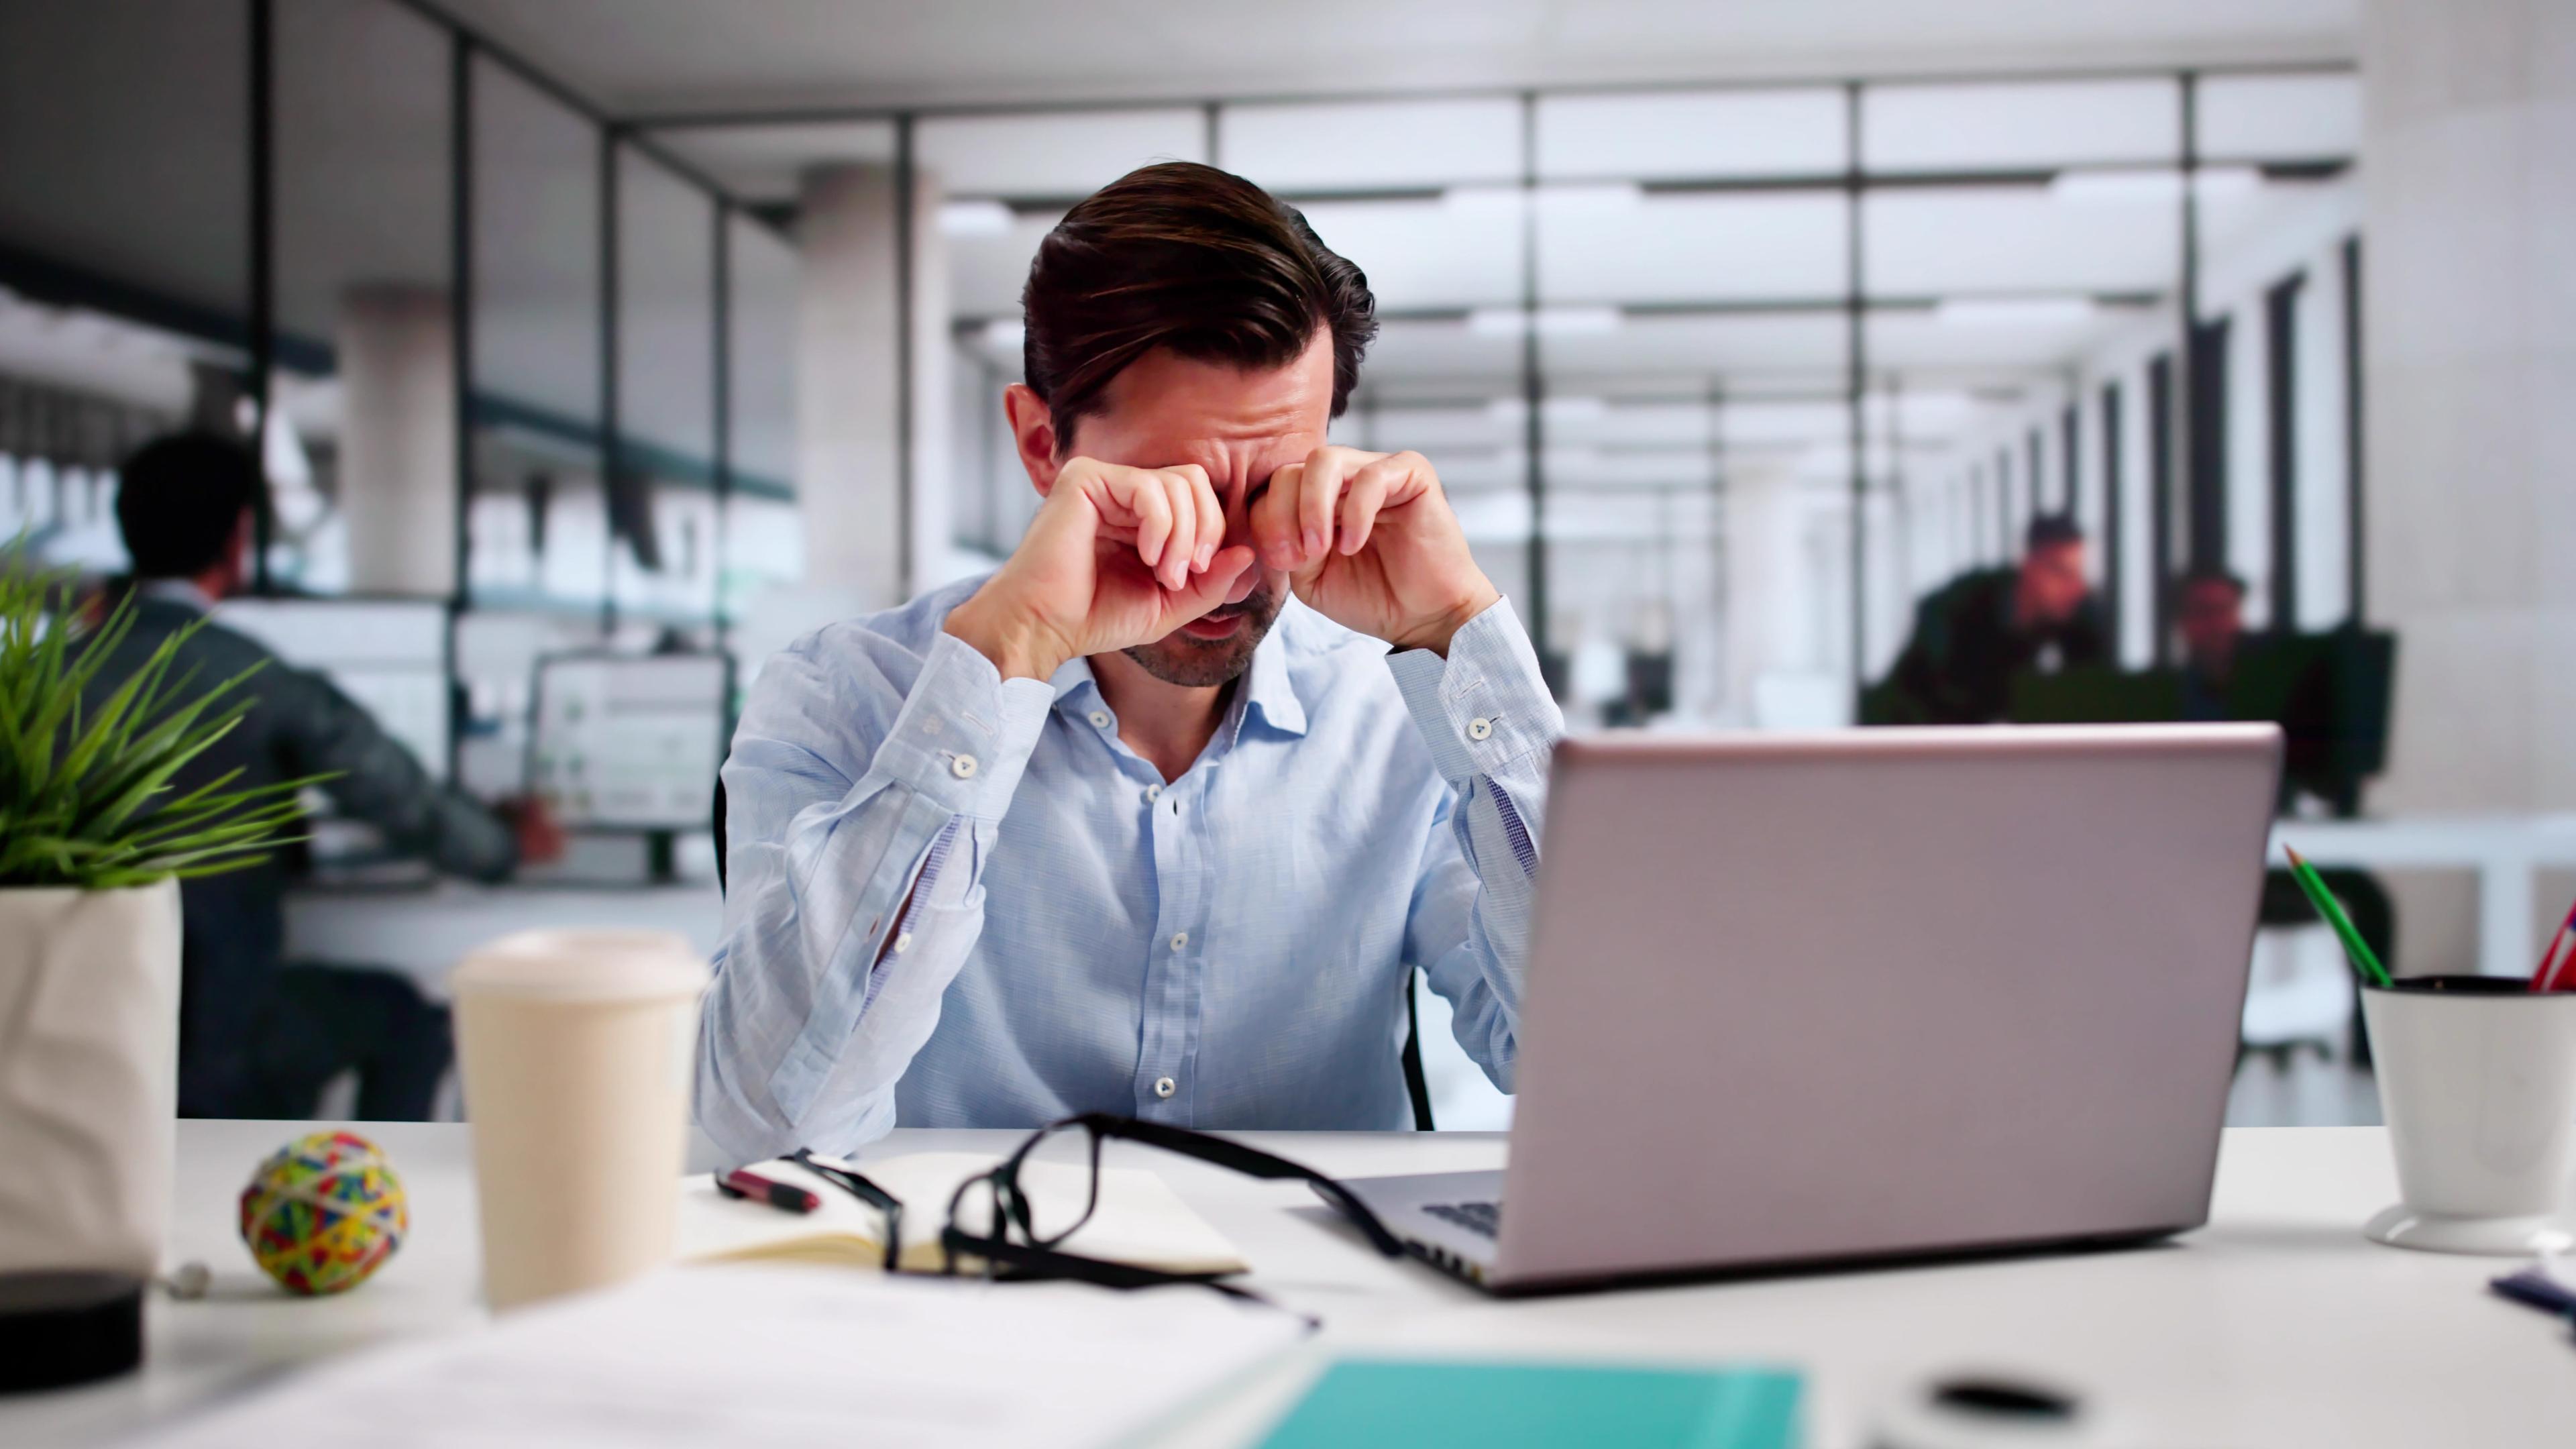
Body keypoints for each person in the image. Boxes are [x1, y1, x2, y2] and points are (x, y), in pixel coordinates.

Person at [700, 163, 1562, 1159]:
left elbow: (1598, 1070)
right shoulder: (842, 697)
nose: (1234, 567)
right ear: (1040, 446)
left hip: (1320, 1291)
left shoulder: (1392, 714)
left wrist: (1458, 629)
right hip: (957, 1294)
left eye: (1274, 485)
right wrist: (1006, 658)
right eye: (1175, 491)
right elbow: (766, 1128)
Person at [83, 433, 564, 1118]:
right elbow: (395, 793)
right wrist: (503, 843)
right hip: (223, 1032)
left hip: (76, 1026)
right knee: (404, 1018)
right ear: (238, 537)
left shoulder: (38, 686)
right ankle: (357, 1207)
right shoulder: (254, 677)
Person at [1862, 514, 2108, 725]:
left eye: (2079, 574)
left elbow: (2092, 693)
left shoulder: (2073, 612)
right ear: (2030, 567)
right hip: (1906, 726)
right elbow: (1938, 699)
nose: (2076, 588)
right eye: (2062, 572)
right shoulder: (1959, 609)